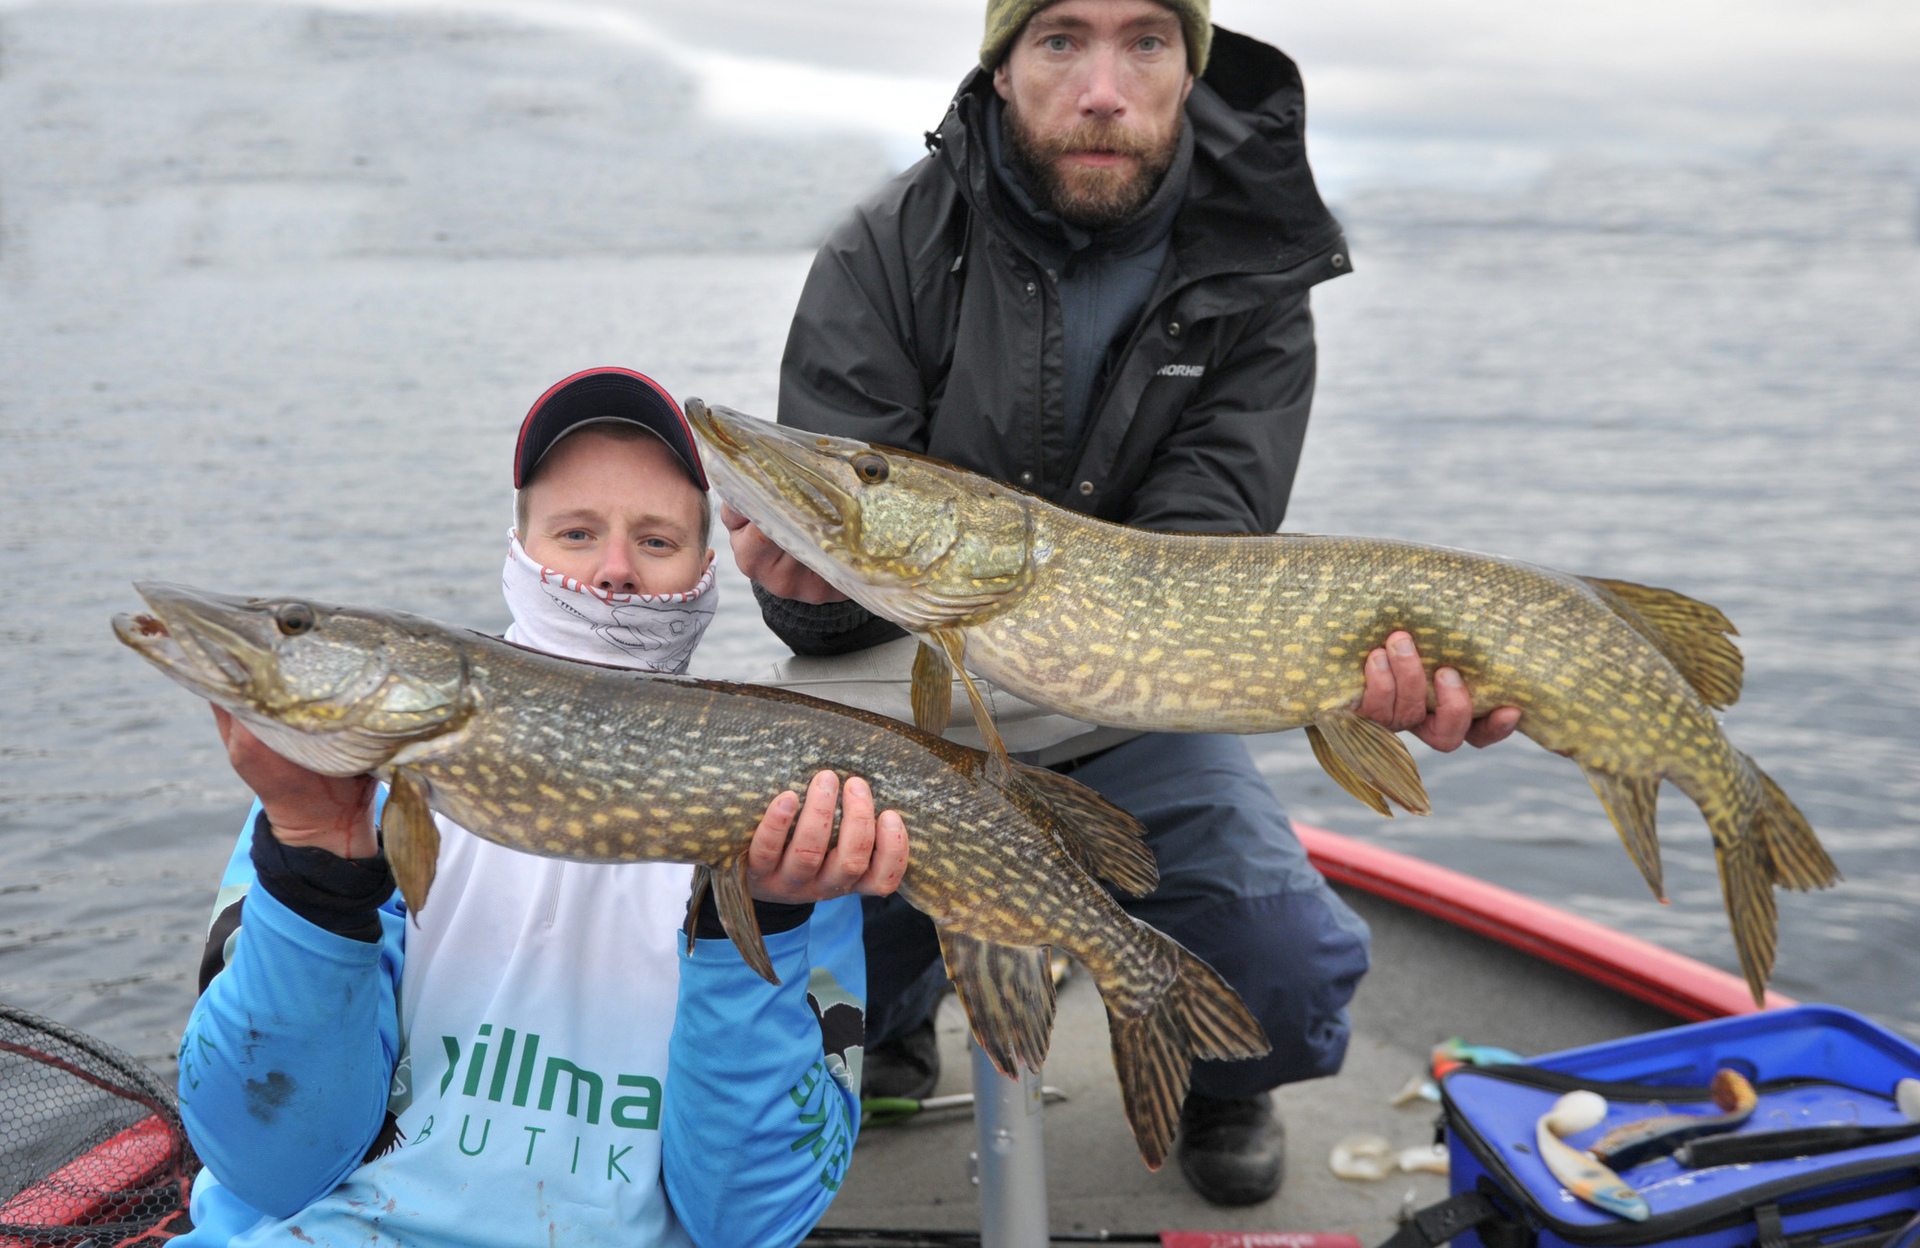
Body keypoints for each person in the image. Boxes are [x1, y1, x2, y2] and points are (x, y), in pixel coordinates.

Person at [725, 0, 1521, 1207]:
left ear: (1188, 69)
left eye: (1145, 41)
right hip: (911, 690)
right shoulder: (883, 250)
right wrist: (814, 597)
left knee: (1281, 963)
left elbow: (1205, 552)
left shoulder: (1258, 265)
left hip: (1134, 699)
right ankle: (897, 1011)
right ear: (1001, 71)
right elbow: (836, 568)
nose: (1103, 88)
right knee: (796, 922)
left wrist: (1362, 686)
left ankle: (1225, 1073)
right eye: (1059, 40)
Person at [173, 367, 910, 1247]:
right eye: (576, 532)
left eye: (656, 540)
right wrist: (313, 857)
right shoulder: (344, 800)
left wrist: (764, 912)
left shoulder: (785, 837)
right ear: (519, 547)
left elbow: (750, 1221)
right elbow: (268, 1164)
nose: (614, 571)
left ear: (705, 569)